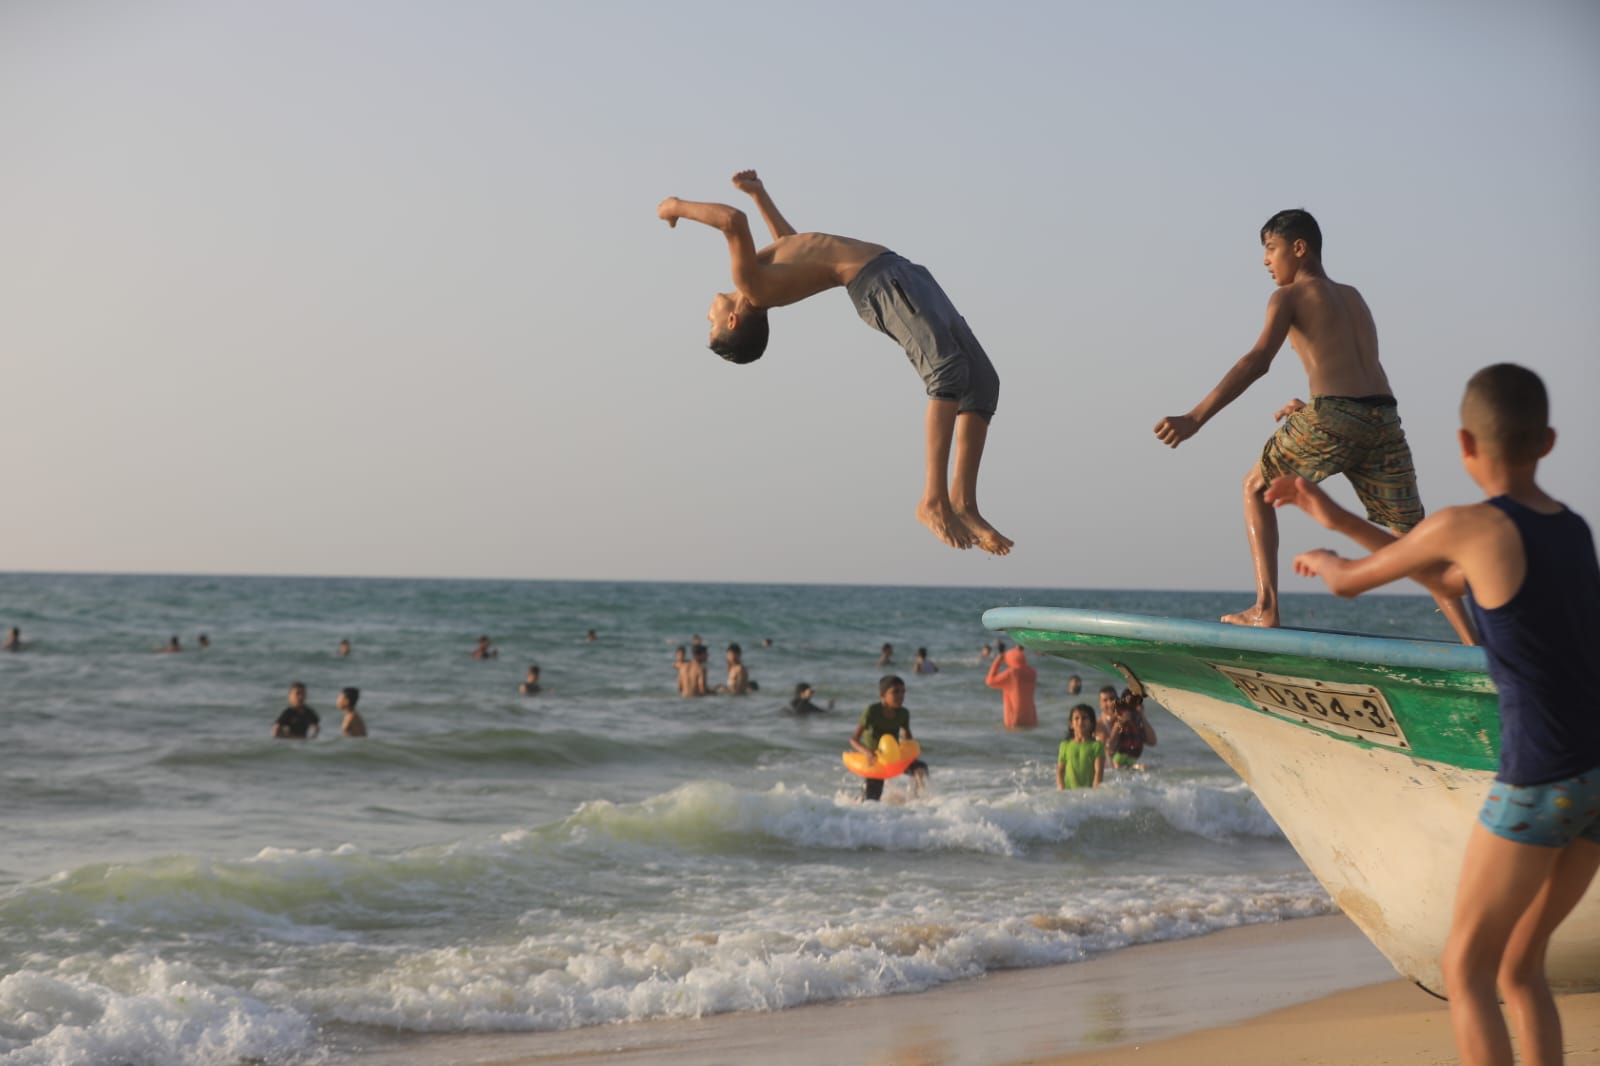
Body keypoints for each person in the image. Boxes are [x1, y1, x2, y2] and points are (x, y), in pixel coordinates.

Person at [1268, 363, 1600, 1066]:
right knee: (1519, 966)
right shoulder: (1572, 531)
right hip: (1594, 781)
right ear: (1546, 440)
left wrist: (1329, 559)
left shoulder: (1467, 524)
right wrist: (1339, 517)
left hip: (1538, 780)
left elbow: (1357, 585)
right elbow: (1442, 575)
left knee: (1466, 968)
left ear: (1463, 446)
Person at [1153, 208, 1473, 642]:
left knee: (1254, 487)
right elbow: (1355, 377)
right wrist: (1313, 409)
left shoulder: (1288, 296)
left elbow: (1257, 362)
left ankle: (1265, 608)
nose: (1266, 261)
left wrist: (1195, 417)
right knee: (1414, 539)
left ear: (1298, 248)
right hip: (1382, 417)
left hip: (1335, 417)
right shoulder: (1354, 296)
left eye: (1270, 249)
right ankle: (1477, 645)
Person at [658, 170, 1010, 555]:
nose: (707, 316)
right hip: (880, 282)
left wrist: (760, 195)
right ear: (732, 322)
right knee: (945, 372)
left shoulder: (764, 279)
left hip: (900, 272)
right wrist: (675, 207)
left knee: (982, 381)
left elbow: (795, 243)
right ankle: (933, 500)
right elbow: (732, 221)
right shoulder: (750, 283)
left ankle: (964, 502)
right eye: (711, 326)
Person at [849, 676, 928, 801]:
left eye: (903, 692)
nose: (901, 695)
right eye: (895, 692)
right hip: (875, 759)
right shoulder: (872, 711)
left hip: (893, 756)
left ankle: (917, 801)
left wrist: (912, 754)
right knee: (872, 800)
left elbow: (907, 737)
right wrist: (867, 753)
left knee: (920, 768)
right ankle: (856, 805)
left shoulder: (903, 713)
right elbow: (853, 739)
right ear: (883, 694)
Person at [985, 646, 1038, 730]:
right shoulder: (1032, 672)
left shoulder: (1012, 673)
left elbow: (989, 681)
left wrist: (997, 661)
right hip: (1032, 719)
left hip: (1015, 720)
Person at [1057, 704, 1105, 790]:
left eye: (1084, 718)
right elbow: (1060, 771)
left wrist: (1095, 790)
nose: (1080, 721)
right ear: (1071, 724)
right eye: (1076, 718)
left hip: (1088, 792)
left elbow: (1099, 771)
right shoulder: (1065, 745)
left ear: (1092, 723)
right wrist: (1061, 788)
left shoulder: (1097, 746)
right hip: (1069, 792)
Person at [1106, 691, 1157, 770]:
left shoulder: (1138, 723)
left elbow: (1153, 742)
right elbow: (1109, 746)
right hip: (1117, 759)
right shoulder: (1117, 720)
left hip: (1131, 760)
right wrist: (1121, 722)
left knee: (1145, 768)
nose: (1131, 710)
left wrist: (1142, 716)